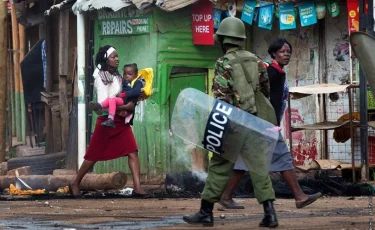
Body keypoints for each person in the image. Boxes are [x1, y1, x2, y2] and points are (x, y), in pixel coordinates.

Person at [182, 17, 279, 228]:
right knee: (259, 168)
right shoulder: (257, 60)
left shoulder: (223, 62)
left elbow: (221, 98)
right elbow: (265, 91)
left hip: (234, 122)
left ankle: (205, 213)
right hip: (254, 122)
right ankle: (270, 214)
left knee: (219, 165)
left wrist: (219, 126)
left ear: (224, 39)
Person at [219, 38, 321, 210]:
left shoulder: (274, 70)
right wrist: (268, 123)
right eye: (282, 51)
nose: (286, 54)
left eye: (288, 51)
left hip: (259, 122)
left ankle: (226, 196)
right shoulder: (273, 71)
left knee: (245, 160)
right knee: (282, 157)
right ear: (274, 53)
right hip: (265, 123)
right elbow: (268, 99)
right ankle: (299, 196)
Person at [70, 45, 149, 198]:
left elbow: (122, 94)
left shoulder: (118, 76)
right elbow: (102, 103)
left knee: (132, 151)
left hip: (120, 121)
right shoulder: (101, 77)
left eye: (117, 56)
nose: (117, 59)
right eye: (113, 57)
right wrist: (125, 106)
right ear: (106, 59)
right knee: (92, 156)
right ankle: (75, 182)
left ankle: (138, 188)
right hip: (107, 121)